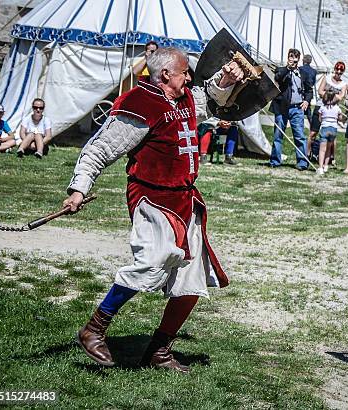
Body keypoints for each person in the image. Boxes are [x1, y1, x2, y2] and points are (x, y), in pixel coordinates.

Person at [62, 47, 244, 372]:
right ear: (164, 76)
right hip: (152, 199)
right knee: (153, 261)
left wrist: (227, 79)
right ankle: (95, 328)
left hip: (185, 200)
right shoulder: (140, 104)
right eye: (184, 72)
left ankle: (159, 352)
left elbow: (210, 96)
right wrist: (79, 189)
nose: (189, 78)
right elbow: (100, 149)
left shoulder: (186, 98)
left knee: (191, 279)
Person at [269, 48, 314, 170]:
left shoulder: (303, 73)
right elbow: (278, 78)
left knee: (299, 135)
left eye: (295, 57)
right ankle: (275, 161)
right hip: (282, 108)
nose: (292, 59)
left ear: (298, 59)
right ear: (287, 57)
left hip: (297, 108)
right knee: (278, 135)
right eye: (290, 56)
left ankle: (302, 162)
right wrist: (288, 68)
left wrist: (306, 101)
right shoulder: (281, 70)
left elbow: (310, 90)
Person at [312, 61, 347, 165]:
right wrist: (331, 96)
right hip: (321, 106)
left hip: (333, 110)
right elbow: (320, 91)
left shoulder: (343, 84)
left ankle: (330, 157)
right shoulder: (327, 78)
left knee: (331, 136)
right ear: (334, 69)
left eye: (341, 70)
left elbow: (341, 96)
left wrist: (329, 97)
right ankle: (310, 153)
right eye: (337, 69)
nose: (338, 72)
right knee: (314, 132)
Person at [316, 90, 345, 175]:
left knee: (322, 150)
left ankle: (320, 167)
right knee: (329, 148)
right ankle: (326, 165)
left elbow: (320, 119)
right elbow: (340, 118)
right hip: (333, 129)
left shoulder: (322, 107)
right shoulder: (337, 108)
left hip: (325, 127)